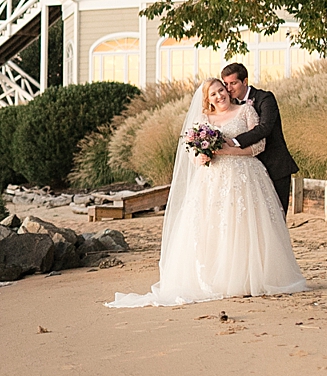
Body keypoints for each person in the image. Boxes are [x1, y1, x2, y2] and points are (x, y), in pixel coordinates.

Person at [107, 77, 307, 307]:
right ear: (207, 99)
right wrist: (199, 157)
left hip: (246, 175)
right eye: (213, 94)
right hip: (211, 180)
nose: (219, 96)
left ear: (228, 90)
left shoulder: (246, 111)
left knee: (245, 225)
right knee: (214, 227)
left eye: (221, 90)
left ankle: (252, 277)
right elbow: (191, 152)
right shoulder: (204, 120)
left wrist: (227, 151)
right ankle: (218, 279)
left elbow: (258, 147)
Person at [220, 62, 297, 215]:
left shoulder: (265, 98)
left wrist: (234, 142)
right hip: (248, 171)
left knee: (277, 216)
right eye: (226, 84)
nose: (229, 89)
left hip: (275, 165)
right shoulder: (230, 104)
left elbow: (264, 128)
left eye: (233, 83)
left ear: (245, 81)